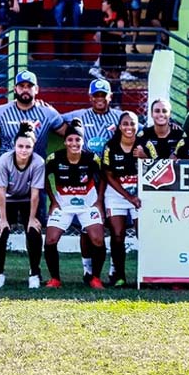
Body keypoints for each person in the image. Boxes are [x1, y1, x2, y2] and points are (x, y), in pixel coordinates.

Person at [63, 78, 121, 283]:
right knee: (86, 227)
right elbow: (56, 121)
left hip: (113, 177)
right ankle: (87, 270)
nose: (99, 99)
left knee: (115, 227)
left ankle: (115, 269)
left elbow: (137, 129)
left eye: (103, 96)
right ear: (90, 97)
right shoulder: (78, 115)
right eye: (95, 96)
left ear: (110, 97)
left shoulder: (119, 117)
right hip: (86, 177)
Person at [44, 120, 107, 289]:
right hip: (63, 204)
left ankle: (95, 278)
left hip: (88, 203)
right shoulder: (54, 158)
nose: (74, 143)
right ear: (65, 142)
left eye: (78, 140)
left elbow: (103, 178)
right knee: (50, 239)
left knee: (98, 240)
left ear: (83, 141)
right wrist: (53, 200)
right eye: (70, 140)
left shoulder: (91, 158)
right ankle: (55, 279)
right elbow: (41, 178)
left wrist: (99, 201)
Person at [0, 122, 46, 289]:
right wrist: (3, 219)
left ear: (33, 147)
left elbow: (36, 194)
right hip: (6, 199)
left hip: (27, 199)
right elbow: (0, 190)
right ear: (14, 146)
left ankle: (34, 273)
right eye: (20, 146)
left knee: (33, 231)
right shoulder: (5, 160)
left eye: (28, 146)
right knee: (0, 230)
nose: (23, 150)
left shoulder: (38, 162)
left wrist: (32, 218)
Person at [102, 111, 154, 287]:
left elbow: (158, 167)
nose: (129, 127)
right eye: (125, 124)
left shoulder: (145, 144)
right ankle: (119, 276)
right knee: (117, 236)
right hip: (117, 195)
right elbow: (108, 175)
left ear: (137, 125)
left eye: (132, 124)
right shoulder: (111, 146)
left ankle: (146, 276)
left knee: (144, 235)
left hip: (141, 196)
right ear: (119, 126)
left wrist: (144, 157)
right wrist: (128, 197)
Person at [0, 70, 67, 158]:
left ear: (36, 89)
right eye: (21, 86)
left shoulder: (48, 113)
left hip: (35, 167)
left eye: (29, 86)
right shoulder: (1, 112)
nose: (25, 89)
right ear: (15, 89)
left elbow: (69, 133)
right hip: (7, 167)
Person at [91, 0, 133, 83]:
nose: (102, 4)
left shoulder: (119, 18)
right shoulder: (103, 18)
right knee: (106, 76)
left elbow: (122, 33)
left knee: (115, 77)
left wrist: (106, 31)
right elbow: (97, 36)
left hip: (116, 50)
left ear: (109, 5)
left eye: (104, 2)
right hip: (106, 49)